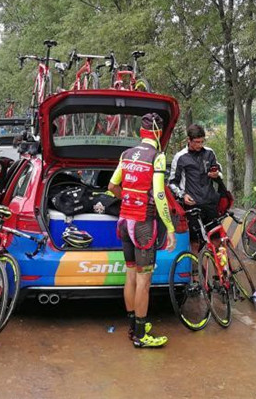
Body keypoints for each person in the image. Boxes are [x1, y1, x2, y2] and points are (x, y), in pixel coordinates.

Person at [106, 113, 175, 349]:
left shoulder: (126, 155)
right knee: (144, 281)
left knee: (131, 275)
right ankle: (141, 335)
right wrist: (170, 227)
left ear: (140, 133)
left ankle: (133, 326)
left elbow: (112, 186)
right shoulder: (157, 157)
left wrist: (126, 197)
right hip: (143, 223)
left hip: (124, 221)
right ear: (159, 133)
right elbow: (158, 194)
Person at [168, 124, 224, 254]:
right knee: (195, 242)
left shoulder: (209, 153)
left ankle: (221, 272)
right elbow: (172, 182)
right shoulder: (180, 157)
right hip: (192, 205)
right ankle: (195, 271)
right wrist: (183, 195)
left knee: (217, 239)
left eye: (202, 141)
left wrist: (216, 175)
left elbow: (219, 171)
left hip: (210, 203)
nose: (199, 145)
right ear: (189, 140)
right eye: (197, 142)